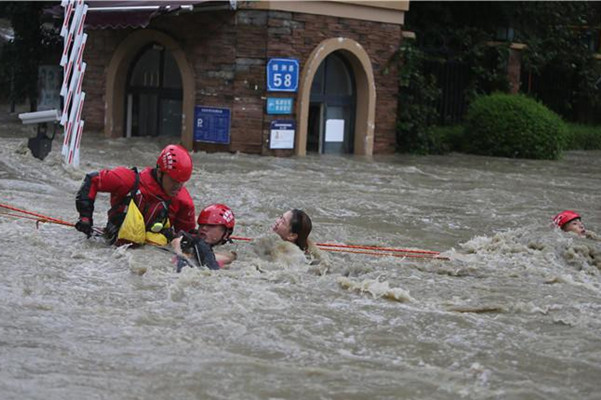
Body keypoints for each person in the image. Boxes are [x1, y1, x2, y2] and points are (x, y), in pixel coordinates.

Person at [75, 144, 196, 246]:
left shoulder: (183, 201)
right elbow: (93, 180)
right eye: (174, 181)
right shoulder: (128, 180)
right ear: (160, 172)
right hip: (113, 245)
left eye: (182, 182)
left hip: (153, 251)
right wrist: (85, 218)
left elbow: (188, 237)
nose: (178, 187)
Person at [170, 203, 237, 271]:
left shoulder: (228, 251)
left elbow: (226, 258)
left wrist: (182, 252)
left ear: (226, 233)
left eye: (211, 226)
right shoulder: (188, 238)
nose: (204, 228)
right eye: (201, 224)